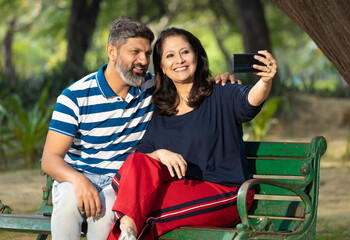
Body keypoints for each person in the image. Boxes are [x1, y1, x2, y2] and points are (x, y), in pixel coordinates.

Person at [41, 17, 238, 240]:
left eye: (146, 54)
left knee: (109, 216)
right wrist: (79, 180)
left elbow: (186, 77)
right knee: (68, 204)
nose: (143, 61)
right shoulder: (75, 96)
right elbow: (49, 160)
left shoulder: (153, 87)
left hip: (121, 182)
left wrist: (222, 78)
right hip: (78, 176)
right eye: (134, 52)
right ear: (112, 52)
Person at [107, 28, 277, 240]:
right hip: (183, 188)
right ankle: (128, 229)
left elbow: (250, 100)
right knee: (136, 169)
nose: (179, 60)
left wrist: (265, 81)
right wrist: (159, 154)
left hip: (227, 192)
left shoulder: (222, 92)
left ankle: (128, 229)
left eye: (185, 52)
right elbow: (139, 165)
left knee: (144, 213)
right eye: (170, 55)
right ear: (162, 67)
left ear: (197, 55)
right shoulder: (160, 111)